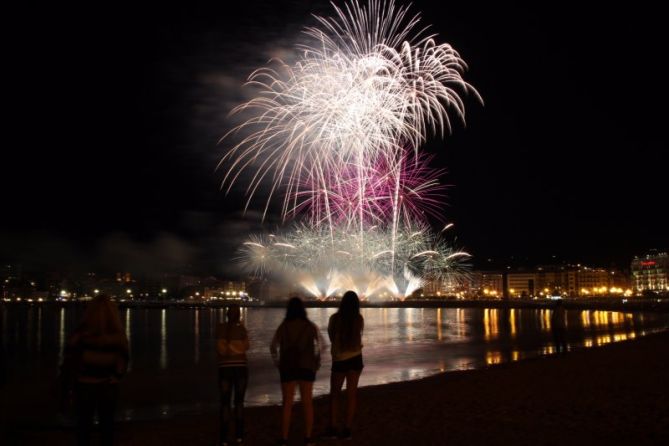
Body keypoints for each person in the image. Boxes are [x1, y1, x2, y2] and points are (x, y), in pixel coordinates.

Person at [61, 295, 129, 446]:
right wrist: (115, 377)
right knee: (107, 425)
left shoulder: (80, 335)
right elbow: (123, 361)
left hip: (83, 384)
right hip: (108, 385)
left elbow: (69, 359)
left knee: (83, 425)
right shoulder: (118, 337)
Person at [270, 297, 324, 446]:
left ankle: (285, 438)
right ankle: (307, 438)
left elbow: (273, 347)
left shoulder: (284, 326)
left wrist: (277, 363)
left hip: (287, 368)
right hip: (307, 367)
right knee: (307, 403)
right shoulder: (310, 326)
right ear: (303, 310)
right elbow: (322, 345)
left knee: (287, 403)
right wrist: (317, 361)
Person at [323, 290, 364, 440]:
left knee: (335, 394)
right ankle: (347, 429)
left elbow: (331, 337)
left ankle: (333, 428)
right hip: (355, 358)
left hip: (339, 359)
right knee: (351, 395)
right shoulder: (358, 319)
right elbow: (358, 337)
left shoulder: (334, 318)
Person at [216, 304, 250, 446]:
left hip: (224, 368)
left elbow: (221, 349)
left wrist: (229, 347)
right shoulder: (242, 329)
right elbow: (245, 347)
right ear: (239, 316)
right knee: (239, 402)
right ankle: (239, 436)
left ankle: (224, 438)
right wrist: (237, 348)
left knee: (225, 403)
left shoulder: (220, 328)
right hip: (241, 368)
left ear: (227, 314)